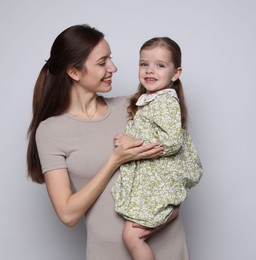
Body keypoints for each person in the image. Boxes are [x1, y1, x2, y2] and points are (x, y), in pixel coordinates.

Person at [27, 24, 191, 259]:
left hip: (166, 244)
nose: (113, 67)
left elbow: (175, 156)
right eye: (102, 62)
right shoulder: (51, 131)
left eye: (110, 59)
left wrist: (172, 211)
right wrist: (115, 160)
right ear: (74, 72)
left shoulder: (133, 107)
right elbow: (68, 214)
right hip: (109, 252)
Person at [111, 37, 203, 260]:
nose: (150, 70)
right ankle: (171, 212)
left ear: (175, 73)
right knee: (132, 233)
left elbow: (171, 141)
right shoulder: (151, 99)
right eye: (144, 64)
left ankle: (170, 212)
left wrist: (130, 141)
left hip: (158, 183)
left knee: (131, 237)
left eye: (160, 65)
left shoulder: (165, 102)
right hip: (151, 182)